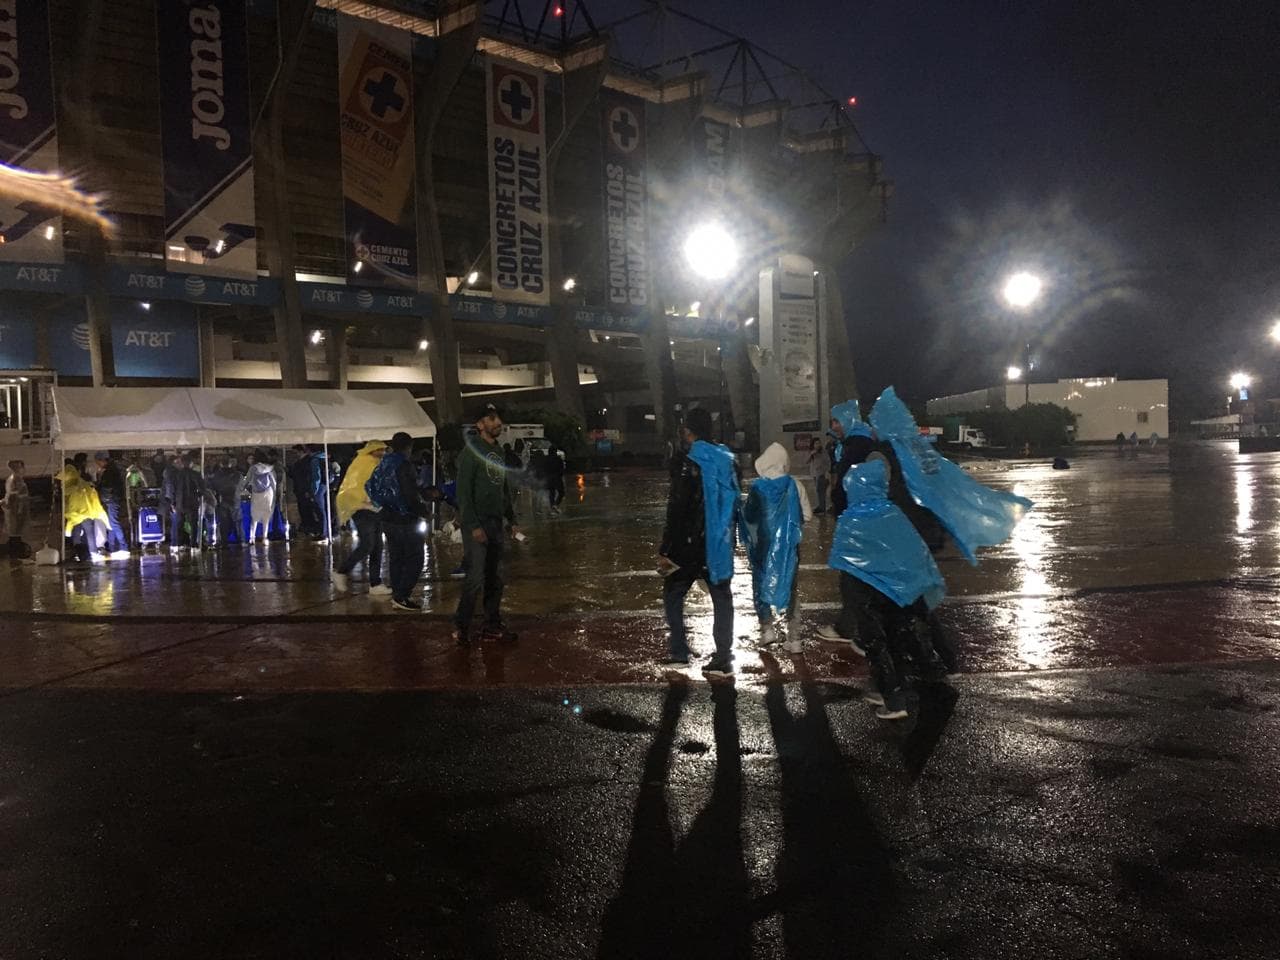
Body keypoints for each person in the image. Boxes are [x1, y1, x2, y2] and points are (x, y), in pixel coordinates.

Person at [827, 458, 948, 721]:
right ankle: (900, 691)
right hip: (896, 596)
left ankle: (893, 700)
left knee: (876, 646)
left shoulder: (852, 519)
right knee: (896, 641)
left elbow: (844, 563)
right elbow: (915, 554)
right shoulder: (894, 514)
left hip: (867, 598)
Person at [657, 407, 741, 679]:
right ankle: (723, 658)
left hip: (688, 545)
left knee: (673, 593)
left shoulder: (686, 461)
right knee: (722, 598)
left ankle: (680, 652)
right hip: (719, 542)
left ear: (688, 430)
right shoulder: (728, 459)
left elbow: (677, 507)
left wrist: (666, 548)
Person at [454, 405, 520, 644]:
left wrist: (511, 520)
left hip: (495, 523)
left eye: (498, 417)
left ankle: (491, 624)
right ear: (480, 425)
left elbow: (502, 489)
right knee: (475, 578)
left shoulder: (499, 452)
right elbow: (463, 493)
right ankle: (461, 626)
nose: (497, 422)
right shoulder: (470, 452)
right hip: (478, 523)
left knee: (495, 577)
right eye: (491, 418)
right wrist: (472, 525)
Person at [740, 442, 812, 653]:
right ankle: (795, 637)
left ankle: (767, 629)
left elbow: (749, 517)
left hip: (763, 547)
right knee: (791, 587)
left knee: (760, 585)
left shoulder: (757, 488)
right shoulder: (795, 485)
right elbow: (806, 515)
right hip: (789, 549)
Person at [366, 432, 433, 611]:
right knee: (416, 557)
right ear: (408, 447)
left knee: (396, 558)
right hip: (405, 519)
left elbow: (370, 486)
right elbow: (409, 494)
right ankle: (402, 595)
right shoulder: (404, 465)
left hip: (387, 518)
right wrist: (423, 511)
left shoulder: (383, 463)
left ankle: (398, 594)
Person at [331, 440, 390, 596]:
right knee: (368, 544)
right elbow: (358, 486)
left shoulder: (372, 463)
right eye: (380, 450)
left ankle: (375, 583)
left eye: (384, 450)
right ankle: (342, 571)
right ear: (372, 450)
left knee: (377, 546)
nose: (383, 453)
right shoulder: (365, 463)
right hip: (363, 509)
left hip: (374, 509)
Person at [828, 400, 876, 518]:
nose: (833, 427)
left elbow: (847, 481)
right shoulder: (850, 443)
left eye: (837, 421)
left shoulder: (858, 445)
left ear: (848, 421)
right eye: (832, 422)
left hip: (855, 514)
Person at [58, 464, 108, 563]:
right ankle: (92, 552)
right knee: (89, 533)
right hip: (87, 512)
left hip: (74, 515)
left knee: (76, 534)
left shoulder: (67, 487)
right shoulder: (84, 484)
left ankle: (79, 552)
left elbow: (66, 502)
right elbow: (93, 496)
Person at [162, 452, 204, 553]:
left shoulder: (175, 474)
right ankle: (193, 545)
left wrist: (172, 502)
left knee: (177, 524)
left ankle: (176, 544)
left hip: (178, 503)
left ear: (182, 463)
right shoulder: (196, 474)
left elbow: (171, 489)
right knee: (193, 524)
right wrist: (197, 496)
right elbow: (202, 489)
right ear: (190, 463)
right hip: (192, 502)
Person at [93, 451, 130, 558]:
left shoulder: (109, 471)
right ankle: (113, 546)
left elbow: (107, 487)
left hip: (112, 499)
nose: (98, 465)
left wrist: (98, 488)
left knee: (113, 522)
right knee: (111, 522)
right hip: (114, 499)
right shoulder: (113, 469)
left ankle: (124, 547)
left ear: (102, 460)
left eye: (98, 462)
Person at [242, 451, 278, 543]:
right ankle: (265, 537)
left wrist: (243, 489)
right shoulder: (270, 468)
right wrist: (275, 493)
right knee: (266, 516)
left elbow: (246, 481)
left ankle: (252, 538)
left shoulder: (253, 468)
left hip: (256, 494)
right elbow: (274, 483)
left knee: (254, 517)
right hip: (268, 494)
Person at [207, 457, 242, 546]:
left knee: (224, 523)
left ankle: (224, 542)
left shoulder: (217, 475)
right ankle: (240, 541)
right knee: (237, 522)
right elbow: (242, 486)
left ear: (221, 464)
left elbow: (212, 487)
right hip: (235, 500)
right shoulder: (237, 475)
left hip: (222, 501)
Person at [288, 445, 318, 538]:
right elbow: (295, 476)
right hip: (299, 489)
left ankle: (311, 527)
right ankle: (306, 527)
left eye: (296, 452)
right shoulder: (298, 463)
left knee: (307, 510)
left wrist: (308, 490)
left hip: (304, 489)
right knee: (302, 509)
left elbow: (308, 477)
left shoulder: (308, 462)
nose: (295, 454)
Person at [4, 459, 30, 556]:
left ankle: (14, 549)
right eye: (21, 467)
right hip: (16, 508)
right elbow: (18, 495)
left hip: (13, 508)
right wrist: (20, 510)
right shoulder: (16, 479)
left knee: (14, 531)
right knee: (15, 531)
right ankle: (15, 551)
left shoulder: (12, 478)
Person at [806, 435, 828, 514]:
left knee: (821, 490)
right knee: (818, 490)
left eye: (819, 443)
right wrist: (812, 454)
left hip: (821, 474)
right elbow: (806, 461)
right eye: (816, 443)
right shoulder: (811, 452)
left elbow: (826, 461)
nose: (818, 445)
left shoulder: (823, 452)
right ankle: (820, 505)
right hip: (814, 474)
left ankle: (822, 507)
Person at [545, 443, 566, 516]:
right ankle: (555, 505)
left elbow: (544, 469)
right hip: (557, 478)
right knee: (561, 492)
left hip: (549, 478)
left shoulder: (546, 459)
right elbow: (562, 469)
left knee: (552, 493)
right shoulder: (558, 459)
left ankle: (552, 506)